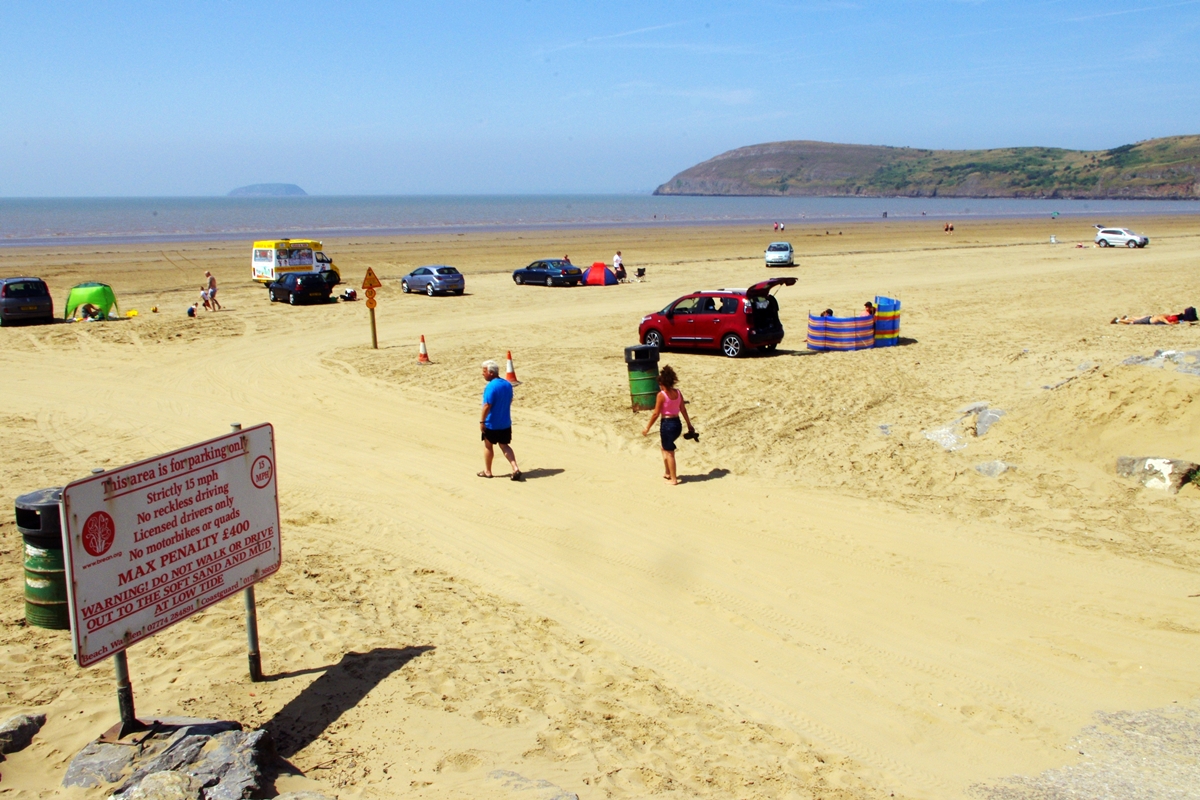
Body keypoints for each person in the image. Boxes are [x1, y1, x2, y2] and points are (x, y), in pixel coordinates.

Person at [641, 365, 694, 486]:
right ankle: (667, 472)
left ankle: (673, 479)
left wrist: (647, 428)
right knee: (664, 447)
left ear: (662, 383)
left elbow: (655, 414)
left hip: (667, 425)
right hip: (677, 424)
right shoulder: (678, 392)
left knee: (669, 451)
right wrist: (689, 425)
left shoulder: (661, 395)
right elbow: (683, 410)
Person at [479, 360, 522, 481]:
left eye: (484, 371)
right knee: (504, 445)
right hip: (505, 423)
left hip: (491, 424)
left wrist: (482, 421)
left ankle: (488, 471)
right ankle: (515, 468)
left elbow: (487, 405)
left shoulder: (491, 386)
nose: (483, 374)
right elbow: (510, 400)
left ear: (491, 373)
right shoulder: (507, 384)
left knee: (488, 446)